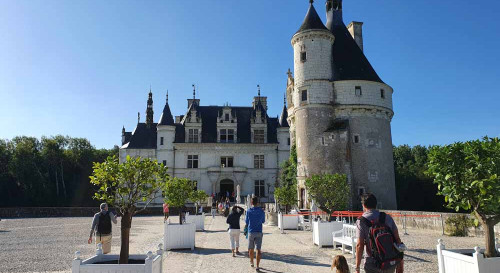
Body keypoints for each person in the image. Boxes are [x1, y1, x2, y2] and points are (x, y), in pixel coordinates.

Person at [355, 194, 404, 273]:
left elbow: (359, 245)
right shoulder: (387, 217)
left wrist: (357, 267)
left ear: (363, 205)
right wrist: (400, 262)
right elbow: (397, 239)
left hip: (371, 262)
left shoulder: (361, 221)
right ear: (376, 204)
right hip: (389, 261)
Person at [245, 197, 265, 271]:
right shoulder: (261, 211)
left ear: (251, 203)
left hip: (251, 231)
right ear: (258, 203)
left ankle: (251, 262)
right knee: (258, 249)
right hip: (259, 231)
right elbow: (263, 221)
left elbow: (246, 222)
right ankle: (257, 266)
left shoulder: (248, 211)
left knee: (251, 248)